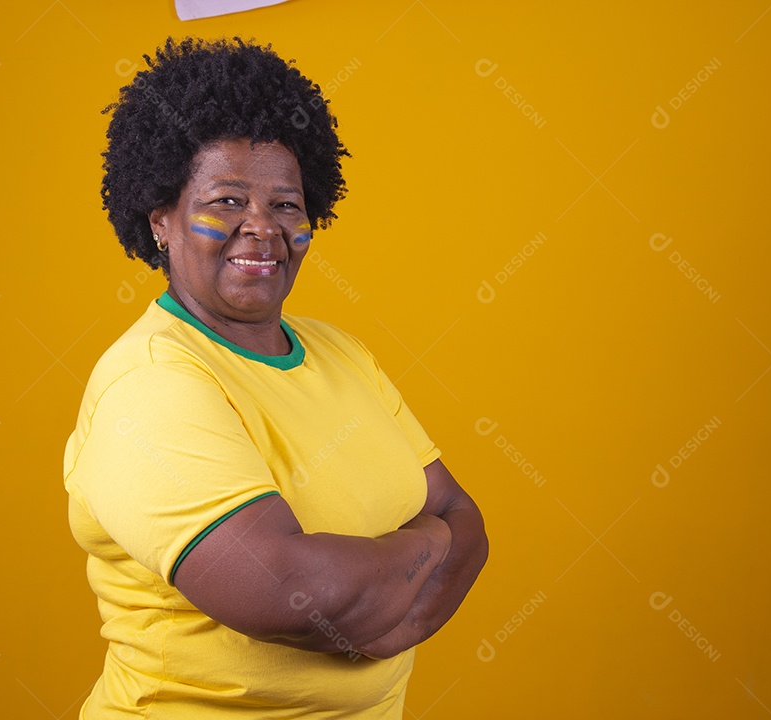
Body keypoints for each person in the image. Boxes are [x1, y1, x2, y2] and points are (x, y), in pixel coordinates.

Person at [63, 37, 488, 719]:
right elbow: (288, 593)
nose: (262, 228)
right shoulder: (150, 385)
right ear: (161, 220)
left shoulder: (341, 353)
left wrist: (386, 612)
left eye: (287, 205)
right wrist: (428, 546)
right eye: (226, 201)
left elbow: (465, 519)